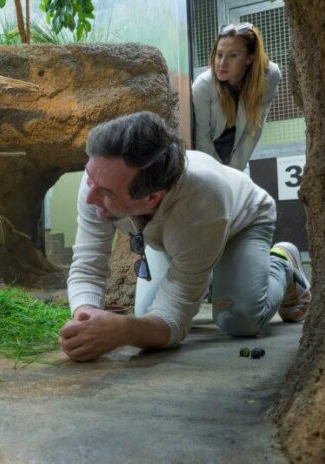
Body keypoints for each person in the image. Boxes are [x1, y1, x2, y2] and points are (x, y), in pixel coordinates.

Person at [60, 112, 310, 362]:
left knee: (239, 319)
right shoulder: (99, 179)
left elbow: (172, 321)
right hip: (178, 237)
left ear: (152, 197)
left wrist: (123, 330)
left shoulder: (200, 207)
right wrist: (86, 320)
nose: (89, 198)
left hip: (242, 221)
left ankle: (282, 264)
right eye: (90, 178)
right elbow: (87, 266)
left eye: (105, 192)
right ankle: (208, 274)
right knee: (146, 315)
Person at [192, 23, 281, 171]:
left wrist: (234, 174)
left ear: (249, 59)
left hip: (236, 155)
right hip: (207, 158)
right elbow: (202, 140)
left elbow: (253, 131)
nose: (222, 63)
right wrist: (219, 176)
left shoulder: (269, 76)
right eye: (219, 54)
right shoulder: (202, 85)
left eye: (233, 56)